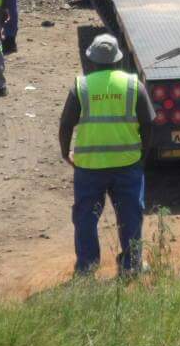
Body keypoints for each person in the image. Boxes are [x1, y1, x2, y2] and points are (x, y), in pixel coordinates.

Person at [59, 34, 155, 277]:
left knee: (85, 219)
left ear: (91, 60)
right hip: (127, 164)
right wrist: (142, 157)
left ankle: (87, 268)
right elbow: (149, 124)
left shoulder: (81, 87)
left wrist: (65, 153)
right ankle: (132, 265)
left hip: (89, 167)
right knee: (130, 216)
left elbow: (66, 124)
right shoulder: (134, 85)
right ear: (118, 61)